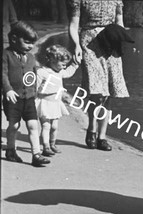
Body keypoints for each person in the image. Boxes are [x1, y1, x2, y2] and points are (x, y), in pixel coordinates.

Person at [67, 0, 130, 151]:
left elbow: (119, 23)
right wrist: (76, 45)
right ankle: (91, 129)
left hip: (111, 42)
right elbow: (74, 25)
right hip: (89, 44)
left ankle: (102, 136)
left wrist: (119, 39)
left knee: (109, 92)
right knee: (97, 92)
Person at [2, 21, 50, 167]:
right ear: (14, 38)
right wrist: (8, 89)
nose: (30, 46)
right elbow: (3, 74)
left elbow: (33, 75)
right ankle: (11, 150)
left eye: (32, 43)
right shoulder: (6, 55)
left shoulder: (30, 57)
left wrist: (35, 92)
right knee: (14, 125)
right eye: (27, 42)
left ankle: (36, 154)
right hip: (13, 98)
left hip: (28, 98)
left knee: (33, 125)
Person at [36, 44, 79, 156]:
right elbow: (35, 87)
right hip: (44, 103)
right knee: (46, 126)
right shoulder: (42, 72)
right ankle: (46, 147)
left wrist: (75, 64)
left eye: (65, 65)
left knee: (54, 126)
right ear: (52, 60)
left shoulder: (60, 72)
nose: (64, 67)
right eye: (62, 64)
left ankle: (52, 144)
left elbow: (69, 72)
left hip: (55, 103)